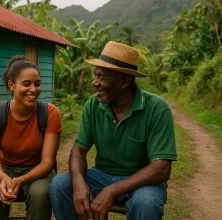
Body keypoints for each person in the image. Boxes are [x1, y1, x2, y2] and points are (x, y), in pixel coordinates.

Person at [50, 41, 177, 220]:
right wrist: (78, 182)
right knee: (60, 185)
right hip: (101, 175)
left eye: (102, 77)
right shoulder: (93, 105)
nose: (95, 83)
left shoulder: (157, 109)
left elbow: (161, 169)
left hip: (141, 182)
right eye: (96, 76)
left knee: (146, 202)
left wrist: (112, 191)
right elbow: (79, 149)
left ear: (124, 81)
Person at [0, 56, 63, 220]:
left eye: (37, 84)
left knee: (40, 195)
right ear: (11, 85)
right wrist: (4, 179)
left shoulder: (50, 113)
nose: (33, 89)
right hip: (5, 168)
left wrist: (20, 181)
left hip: (38, 170)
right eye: (26, 84)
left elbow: (47, 162)